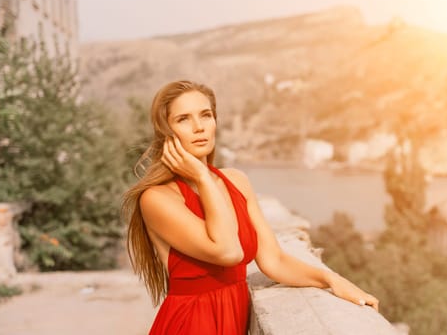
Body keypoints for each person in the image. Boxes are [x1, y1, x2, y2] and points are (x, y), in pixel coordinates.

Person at [121, 80, 379, 335]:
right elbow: (227, 251)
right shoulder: (156, 199)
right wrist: (201, 176)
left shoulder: (236, 181)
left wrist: (331, 279)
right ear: (167, 133)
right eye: (183, 119)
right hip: (191, 324)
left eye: (206, 115)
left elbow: (274, 260)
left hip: (233, 320)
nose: (199, 127)